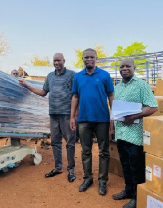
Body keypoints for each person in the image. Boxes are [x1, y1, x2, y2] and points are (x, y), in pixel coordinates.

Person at [19, 53, 76, 182]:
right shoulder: (50, 76)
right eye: (54, 61)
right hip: (53, 114)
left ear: (64, 61)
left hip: (67, 114)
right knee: (55, 142)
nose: (56, 63)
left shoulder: (72, 75)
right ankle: (58, 167)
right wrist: (27, 86)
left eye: (59, 60)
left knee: (70, 142)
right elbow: (43, 92)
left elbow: (76, 95)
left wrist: (75, 114)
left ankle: (71, 170)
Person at [111, 59, 158, 208]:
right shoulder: (117, 87)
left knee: (136, 167)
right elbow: (115, 109)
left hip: (135, 135)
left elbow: (153, 107)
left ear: (134, 68)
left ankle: (138, 197)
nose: (124, 69)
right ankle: (129, 190)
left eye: (127, 66)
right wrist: (112, 128)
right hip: (121, 133)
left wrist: (134, 117)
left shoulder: (141, 85)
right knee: (125, 164)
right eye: (122, 66)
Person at [70, 48, 114, 195]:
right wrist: (72, 117)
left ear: (96, 58)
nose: (89, 59)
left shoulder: (105, 75)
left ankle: (102, 181)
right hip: (83, 120)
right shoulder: (78, 77)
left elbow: (111, 96)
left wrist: (113, 118)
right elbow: (75, 97)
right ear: (83, 59)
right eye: (86, 57)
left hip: (102, 119)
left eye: (91, 57)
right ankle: (87, 179)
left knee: (104, 151)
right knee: (86, 151)